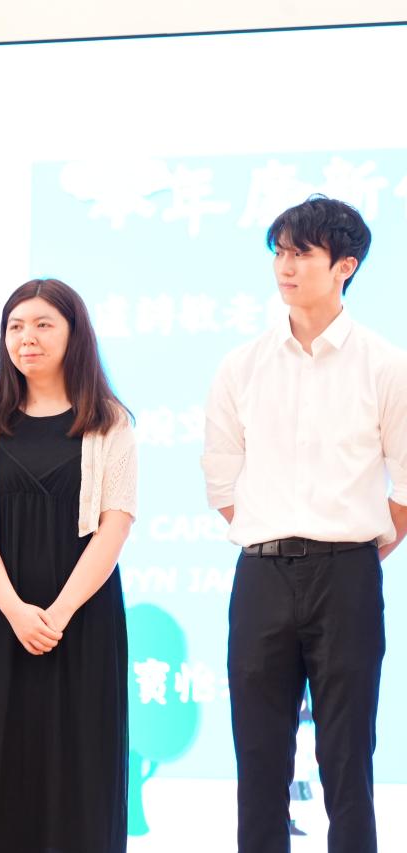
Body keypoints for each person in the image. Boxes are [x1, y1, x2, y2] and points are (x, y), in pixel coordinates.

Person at [202, 195, 407, 853]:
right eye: (280, 253)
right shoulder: (241, 364)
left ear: (346, 265)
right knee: (259, 755)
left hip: (347, 574)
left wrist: (350, 547)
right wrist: (276, 528)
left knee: (348, 755)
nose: (285, 267)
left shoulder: (385, 365)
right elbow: (222, 478)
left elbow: (406, 482)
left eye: (303, 253)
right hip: (261, 574)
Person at [0, 278, 135, 853]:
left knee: (81, 763)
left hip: (82, 617)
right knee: (4, 764)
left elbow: (115, 526)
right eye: (15, 326)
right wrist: (17, 612)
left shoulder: (110, 422)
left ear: (74, 334)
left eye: (42, 325)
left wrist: (56, 615)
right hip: (4, 618)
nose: (26, 337)